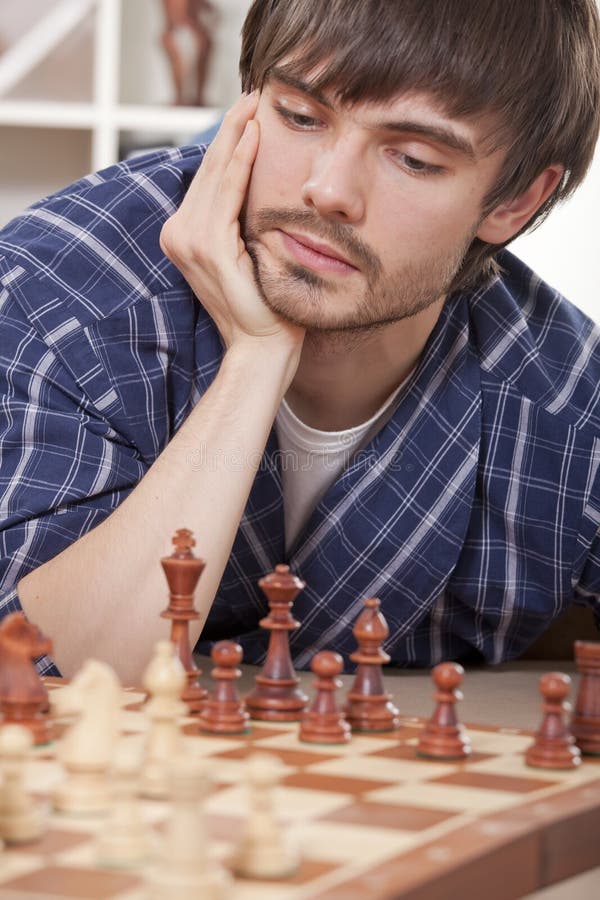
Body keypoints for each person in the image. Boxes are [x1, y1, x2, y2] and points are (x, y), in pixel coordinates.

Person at [1, 0, 599, 683]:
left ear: (514, 200)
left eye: (412, 158)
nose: (328, 190)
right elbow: (47, 672)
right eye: (299, 117)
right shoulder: (58, 287)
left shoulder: (568, 400)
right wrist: (257, 358)